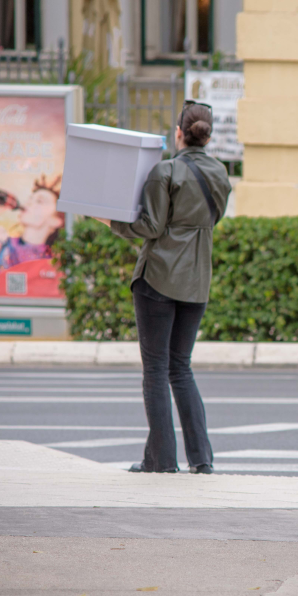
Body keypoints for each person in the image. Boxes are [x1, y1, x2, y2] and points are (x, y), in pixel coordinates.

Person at [98, 102, 231, 474]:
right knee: (180, 368)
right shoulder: (220, 173)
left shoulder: (166, 171)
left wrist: (109, 220)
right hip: (197, 281)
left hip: (158, 278)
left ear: (178, 132)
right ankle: (201, 460)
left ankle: (161, 461)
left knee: (155, 370)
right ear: (207, 134)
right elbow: (212, 219)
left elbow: (150, 227)